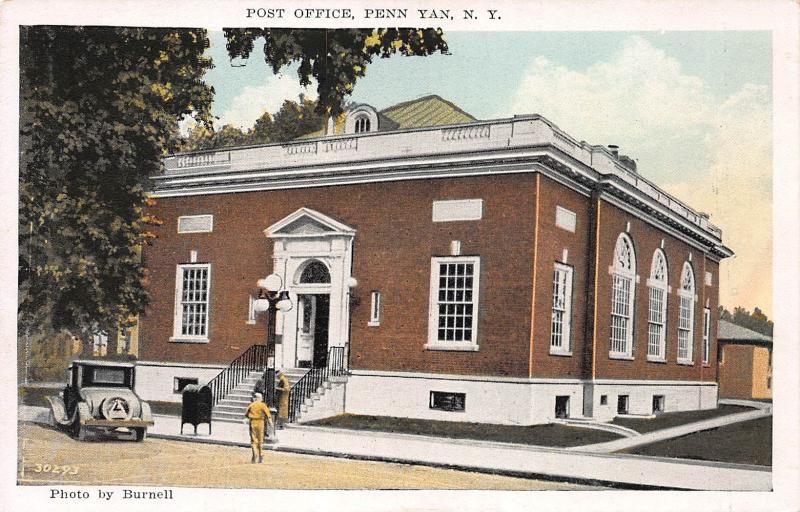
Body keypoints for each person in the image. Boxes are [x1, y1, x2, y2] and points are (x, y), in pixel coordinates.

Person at [243, 392, 273, 463]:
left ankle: (254, 454)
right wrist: (270, 423)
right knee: (260, 439)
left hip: (253, 422)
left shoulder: (251, 405)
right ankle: (261, 454)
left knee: (253, 440)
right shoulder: (263, 405)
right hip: (261, 422)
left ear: (255, 398)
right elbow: (268, 414)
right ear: (259, 398)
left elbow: (246, 414)